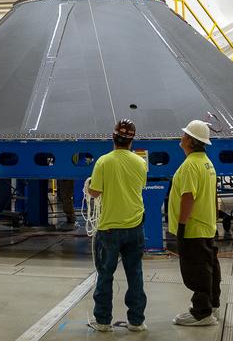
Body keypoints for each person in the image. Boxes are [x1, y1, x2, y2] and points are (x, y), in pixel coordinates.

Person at [87, 119, 148, 333]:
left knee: (105, 275)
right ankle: (136, 321)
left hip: (109, 228)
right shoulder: (140, 163)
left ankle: (103, 321)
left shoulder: (103, 162)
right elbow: (140, 186)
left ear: (113, 137)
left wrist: (93, 186)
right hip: (135, 226)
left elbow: (94, 192)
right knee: (135, 274)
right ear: (132, 140)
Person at [170, 120, 220, 327]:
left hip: (193, 228)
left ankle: (202, 313)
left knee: (196, 271)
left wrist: (181, 226)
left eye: (184, 135)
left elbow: (188, 197)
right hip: (206, 225)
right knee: (209, 267)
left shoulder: (191, 165)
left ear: (190, 141)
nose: (181, 137)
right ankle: (212, 303)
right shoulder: (206, 162)